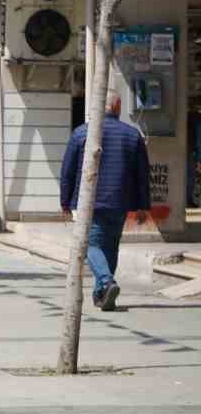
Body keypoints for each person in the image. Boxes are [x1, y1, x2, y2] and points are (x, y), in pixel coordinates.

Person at [61, 94, 152, 312]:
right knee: (110, 246)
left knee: (91, 245)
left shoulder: (81, 133)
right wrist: (143, 205)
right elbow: (142, 174)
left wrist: (65, 201)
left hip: (91, 200)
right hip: (120, 201)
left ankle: (106, 281)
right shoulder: (133, 135)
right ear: (118, 106)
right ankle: (102, 295)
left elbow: (68, 171)